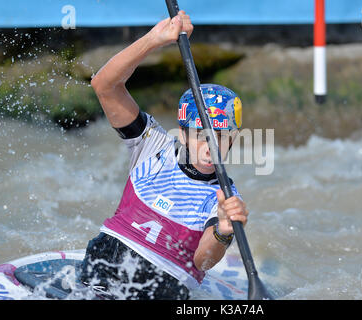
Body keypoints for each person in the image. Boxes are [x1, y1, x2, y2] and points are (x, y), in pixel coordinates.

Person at [79, 11, 249, 300]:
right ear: (182, 135)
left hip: (164, 284)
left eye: (222, 137)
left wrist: (223, 230)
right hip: (106, 262)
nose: (211, 146)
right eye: (201, 135)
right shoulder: (151, 145)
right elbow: (104, 86)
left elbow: (202, 263)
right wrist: (154, 40)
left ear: (233, 140)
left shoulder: (225, 198)